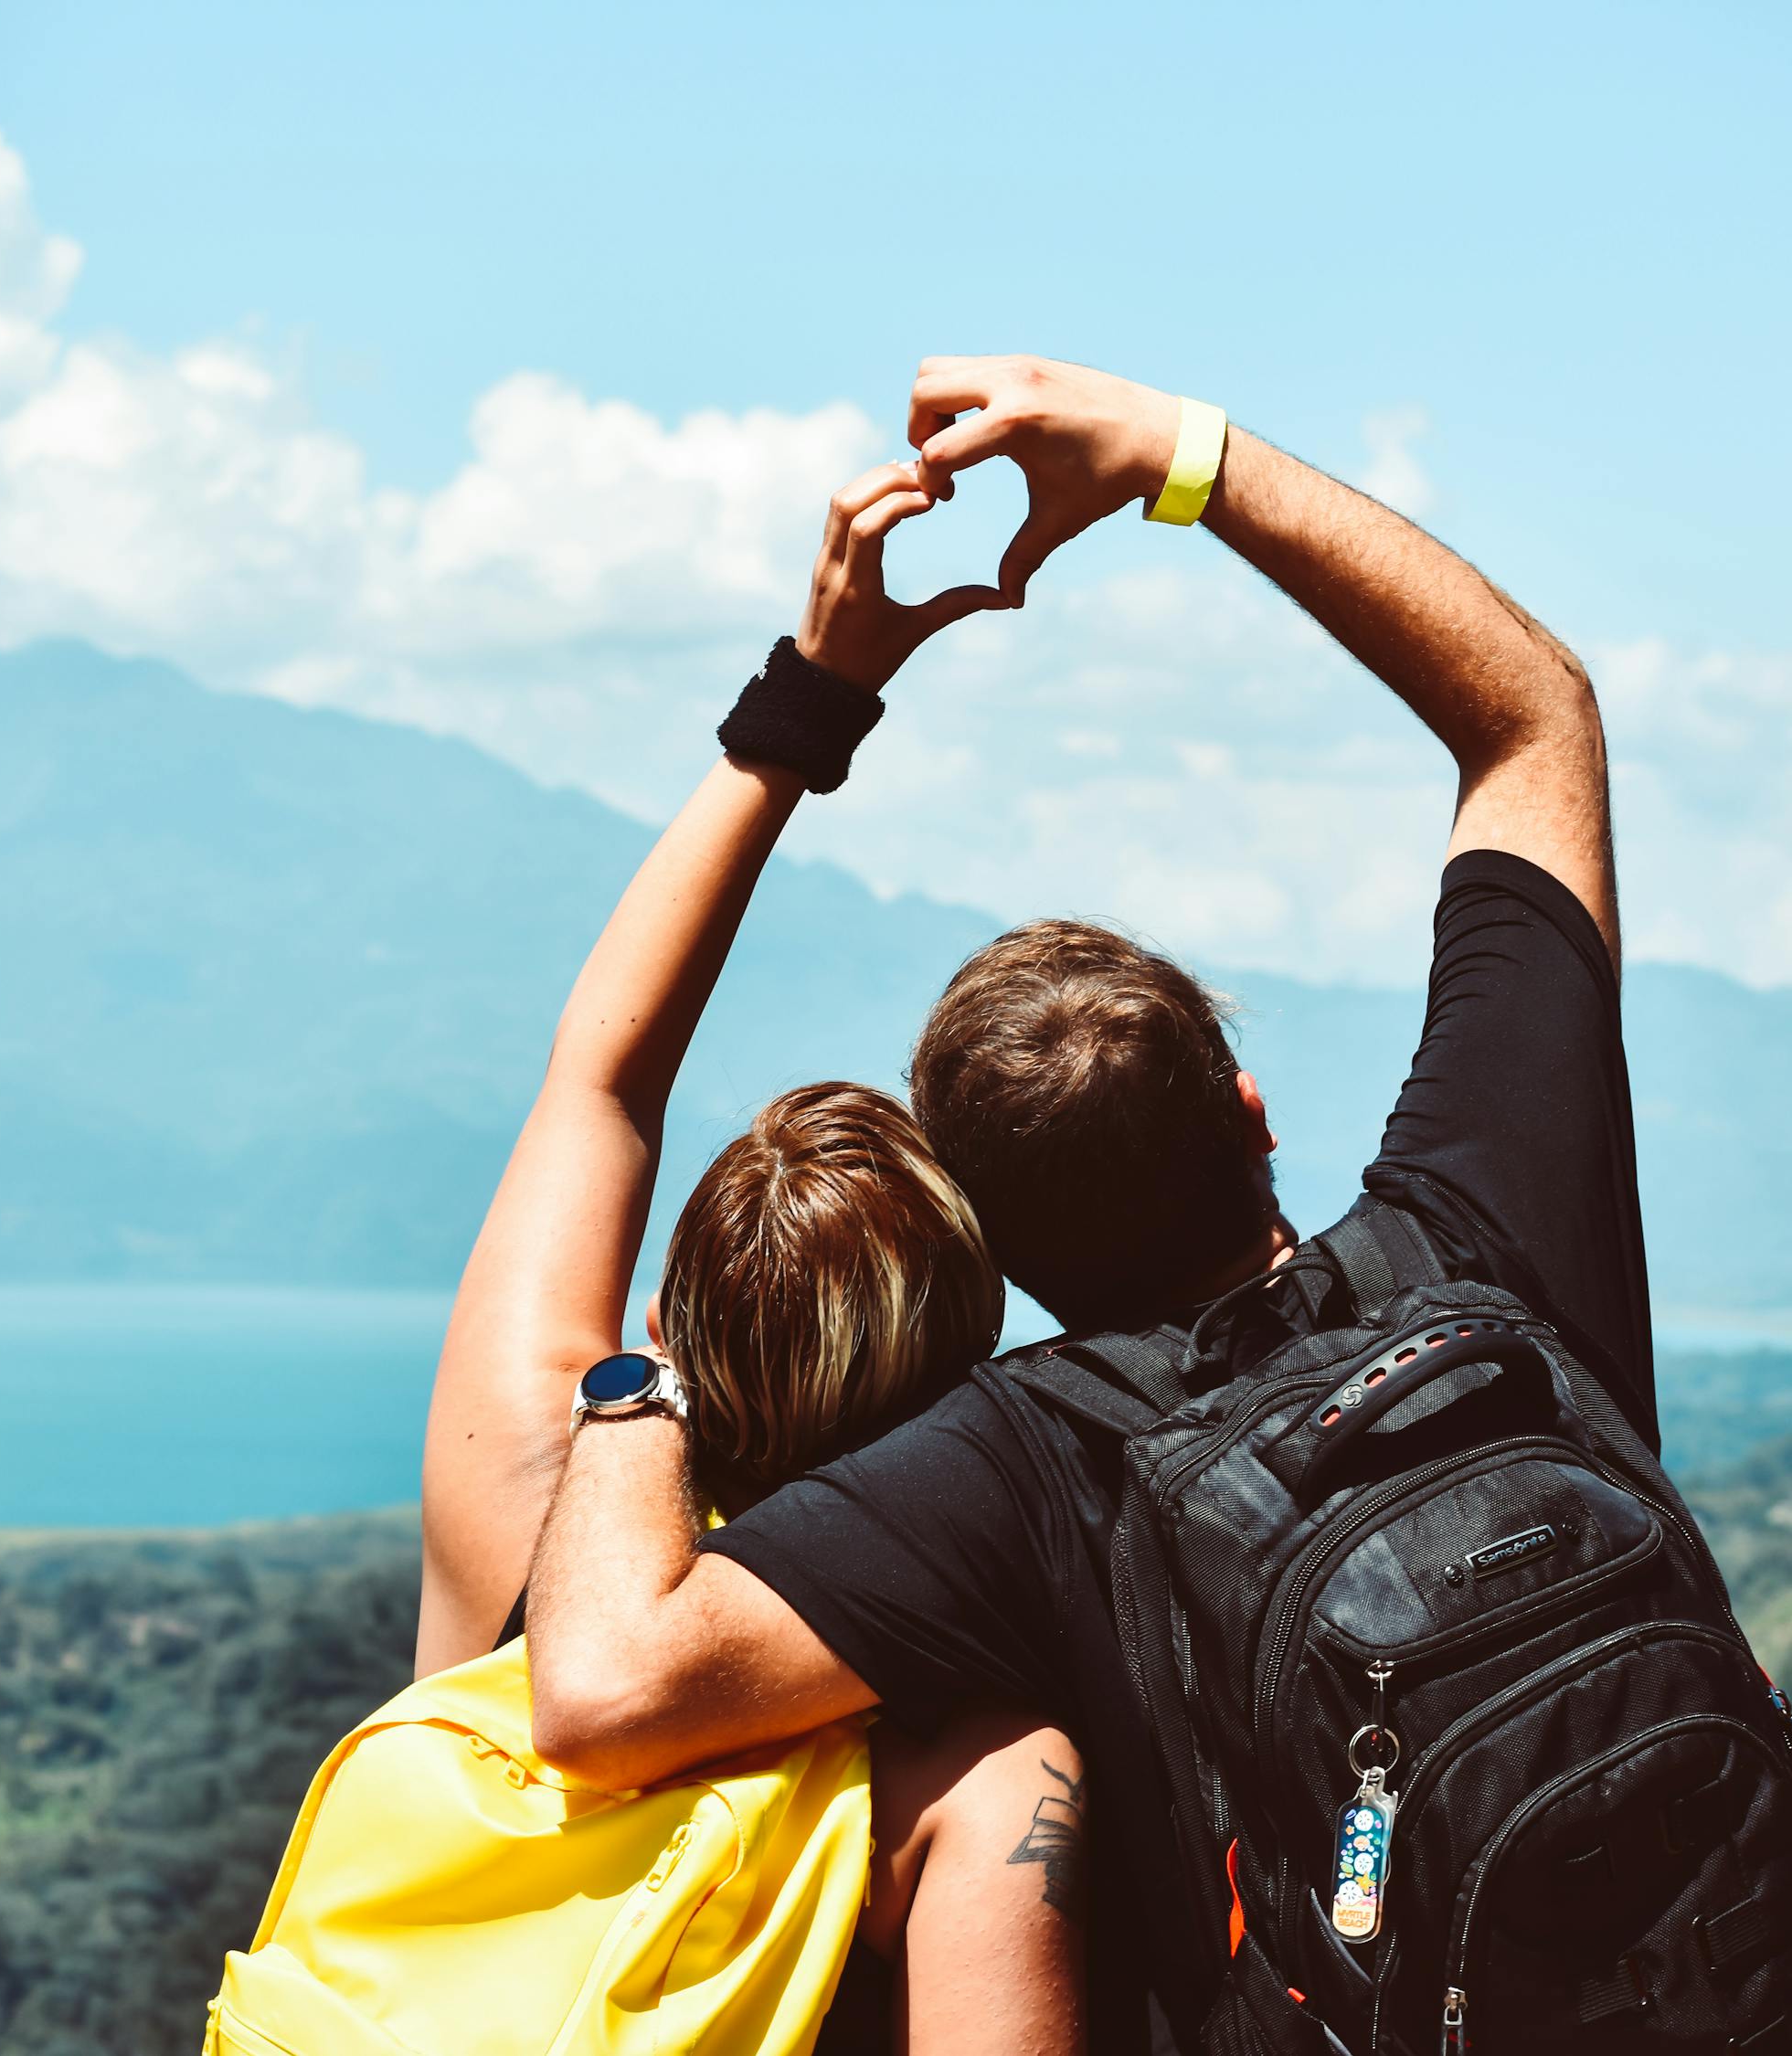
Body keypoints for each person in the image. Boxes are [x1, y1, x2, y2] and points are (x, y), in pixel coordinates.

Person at [521, 354, 1637, 2056]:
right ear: (1251, 1113)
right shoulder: (1491, 1236)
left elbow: (600, 1686)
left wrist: (645, 1374)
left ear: (1000, 1251)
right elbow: (1533, 711)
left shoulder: (1024, 1466)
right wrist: (1181, 458)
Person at [418, 462, 1088, 2051]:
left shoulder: (518, 1497)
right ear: (961, 1377)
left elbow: (602, 1075)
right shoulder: (974, 1755)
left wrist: (813, 696)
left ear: (668, 1317)